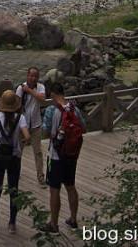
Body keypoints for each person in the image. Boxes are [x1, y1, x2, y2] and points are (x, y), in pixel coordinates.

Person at [42, 83, 86, 233]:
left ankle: (53, 223)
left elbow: (46, 132)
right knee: (70, 186)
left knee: (54, 189)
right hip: (71, 155)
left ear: (53, 94)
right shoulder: (74, 108)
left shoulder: (50, 110)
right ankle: (73, 219)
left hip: (56, 155)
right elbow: (83, 127)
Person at [0, 89, 30, 236]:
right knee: (14, 190)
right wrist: (20, 143)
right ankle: (12, 223)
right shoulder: (21, 118)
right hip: (14, 156)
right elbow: (27, 137)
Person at [16, 66, 46, 185]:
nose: (33, 78)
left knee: (38, 152)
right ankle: (16, 171)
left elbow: (42, 99)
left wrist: (29, 90)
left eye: (35, 76)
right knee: (19, 150)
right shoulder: (20, 88)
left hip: (36, 125)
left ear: (38, 78)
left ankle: (40, 176)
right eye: (31, 75)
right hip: (22, 126)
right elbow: (16, 104)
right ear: (27, 76)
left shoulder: (41, 87)